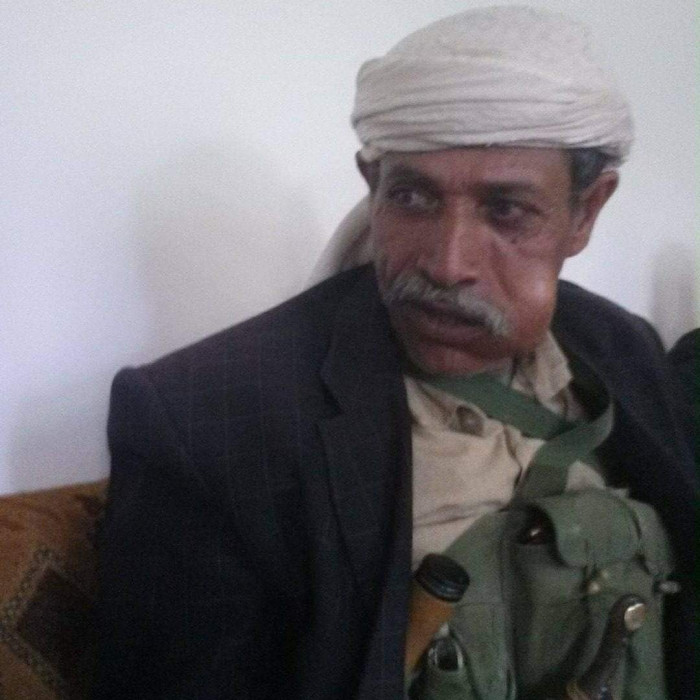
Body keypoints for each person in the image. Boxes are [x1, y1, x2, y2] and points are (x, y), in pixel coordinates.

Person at [95, 7, 698, 699]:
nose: (446, 264)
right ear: (372, 184)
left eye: (506, 210)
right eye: (412, 196)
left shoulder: (623, 347)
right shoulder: (209, 424)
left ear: (586, 211)